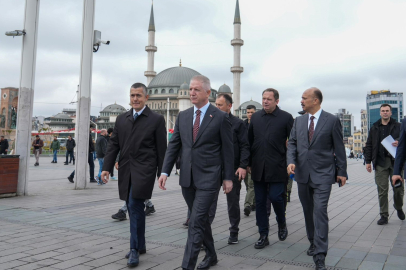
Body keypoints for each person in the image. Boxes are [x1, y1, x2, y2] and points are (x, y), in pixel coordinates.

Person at [158, 75, 234, 270]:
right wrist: (165, 171)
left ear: (208, 93)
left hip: (210, 178)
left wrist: (228, 178)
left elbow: (227, 150)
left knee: (195, 221)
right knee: (201, 221)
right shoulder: (182, 116)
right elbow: (174, 146)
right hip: (187, 179)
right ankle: (212, 255)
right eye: (190, 89)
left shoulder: (220, 117)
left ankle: (187, 266)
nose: (192, 92)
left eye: (196, 89)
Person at [101, 82, 167, 268]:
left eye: (139, 95)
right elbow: (114, 145)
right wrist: (106, 167)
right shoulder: (122, 119)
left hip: (145, 170)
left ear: (147, 98)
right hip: (126, 169)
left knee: (134, 204)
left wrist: (163, 172)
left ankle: (134, 249)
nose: (135, 99)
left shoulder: (156, 119)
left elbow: (162, 149)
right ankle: (141, 244)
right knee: (134, 208)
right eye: (132, 95)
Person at [287, 87, 347, 270]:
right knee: (308, 210)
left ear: (316, 101)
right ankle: (313, 241)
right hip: (302, 174)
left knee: (320, 211)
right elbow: (292, 144)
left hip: (323, 173)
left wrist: (342, 171)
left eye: (304, 98)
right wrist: (290, 161)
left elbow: (339, 147)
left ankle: (320, 255)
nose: (301, 101)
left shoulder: (332, 120)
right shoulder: (298, 121)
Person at [248, 88, 293, 249]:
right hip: (258, 167)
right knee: (260, 203)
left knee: (276, 198)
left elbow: (293, 143)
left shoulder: (286, 118)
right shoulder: (256, 118)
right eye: (263, 98)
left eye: (269, 99)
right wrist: (247, 163)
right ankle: (263, 235)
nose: (265, 101)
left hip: (278, 167)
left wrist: (291, 162)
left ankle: (282, 223)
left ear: (277, 101)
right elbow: (249, 141)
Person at [208, 94, 249, 244]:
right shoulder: (211, 122)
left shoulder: (238, 124)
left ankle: (234, 232)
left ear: (229, 106)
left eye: (220, 105)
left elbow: (245, 146)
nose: (217, 107)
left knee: (232, 202)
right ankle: (204, 236)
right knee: (209, 203)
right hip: (213, 169)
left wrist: (242, 166)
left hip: (232, 170)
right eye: (216, 104)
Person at [364, 104, 404, 225]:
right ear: (380, 113)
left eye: (387, 111)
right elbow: (369, 145)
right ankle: (384, 215)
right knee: (382, 190)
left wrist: (399, 142)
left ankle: (398, 206)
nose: (385, 113)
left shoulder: (399, 126)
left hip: (395, 163)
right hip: (380, 163)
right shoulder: (374, 127)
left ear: (391, 113)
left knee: (398, 189)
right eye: (383, 111)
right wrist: (368, 161)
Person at [243, 105, 256, 216]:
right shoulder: (242, 124)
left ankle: (247, 205)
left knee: (251, 184)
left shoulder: (258, 124)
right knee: (247, 184)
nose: (250, 114)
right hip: (244, 159)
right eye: (248, 112)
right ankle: (254, 202)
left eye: (252, 112)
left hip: (254, 159)